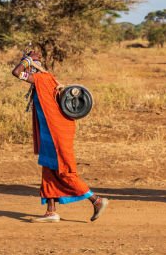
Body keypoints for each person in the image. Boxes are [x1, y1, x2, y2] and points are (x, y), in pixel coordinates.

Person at [12, 51, 109, 223]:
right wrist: (29, 60)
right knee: (49, 170)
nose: (30, 71)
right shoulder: (46, 80)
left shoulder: (43, 79)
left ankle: (97, 200)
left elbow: (17, 72)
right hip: (49, 133)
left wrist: (27, 60)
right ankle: (51, 212)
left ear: (34, 66)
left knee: (65, 171)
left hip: (56, 133)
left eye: (31, 66)